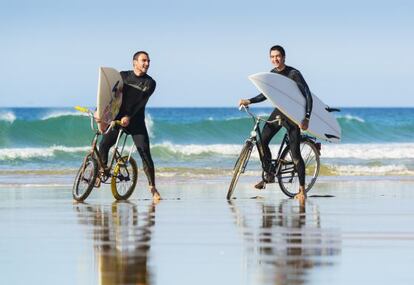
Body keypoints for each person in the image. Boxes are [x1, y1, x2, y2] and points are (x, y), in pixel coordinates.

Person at [239, 45, 313, 201]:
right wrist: (249, 101)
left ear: (284, 57)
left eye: (278, 56)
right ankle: (269, 174)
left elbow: (308, 95)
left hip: (293, 115)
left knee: (295, 155)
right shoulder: (272, 74)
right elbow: (265, 95)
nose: (275, 59)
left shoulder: (294, 74)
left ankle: (302, 190)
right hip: (280, 111)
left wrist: (306, 117)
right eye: (272, 57)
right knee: (262, 141)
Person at [98, 51, 161, 202]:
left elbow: (141, 103)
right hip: (119, 119)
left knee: (144, 152)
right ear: (134, 62)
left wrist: (129, 116)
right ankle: (102, 171)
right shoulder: (123, 76)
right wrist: (99, 112)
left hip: (136, 121)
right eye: (143, 60)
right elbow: (111, 96)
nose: (147, 64)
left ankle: (152, 187)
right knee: (104, 144)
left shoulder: (150, 83)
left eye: (148, 61)